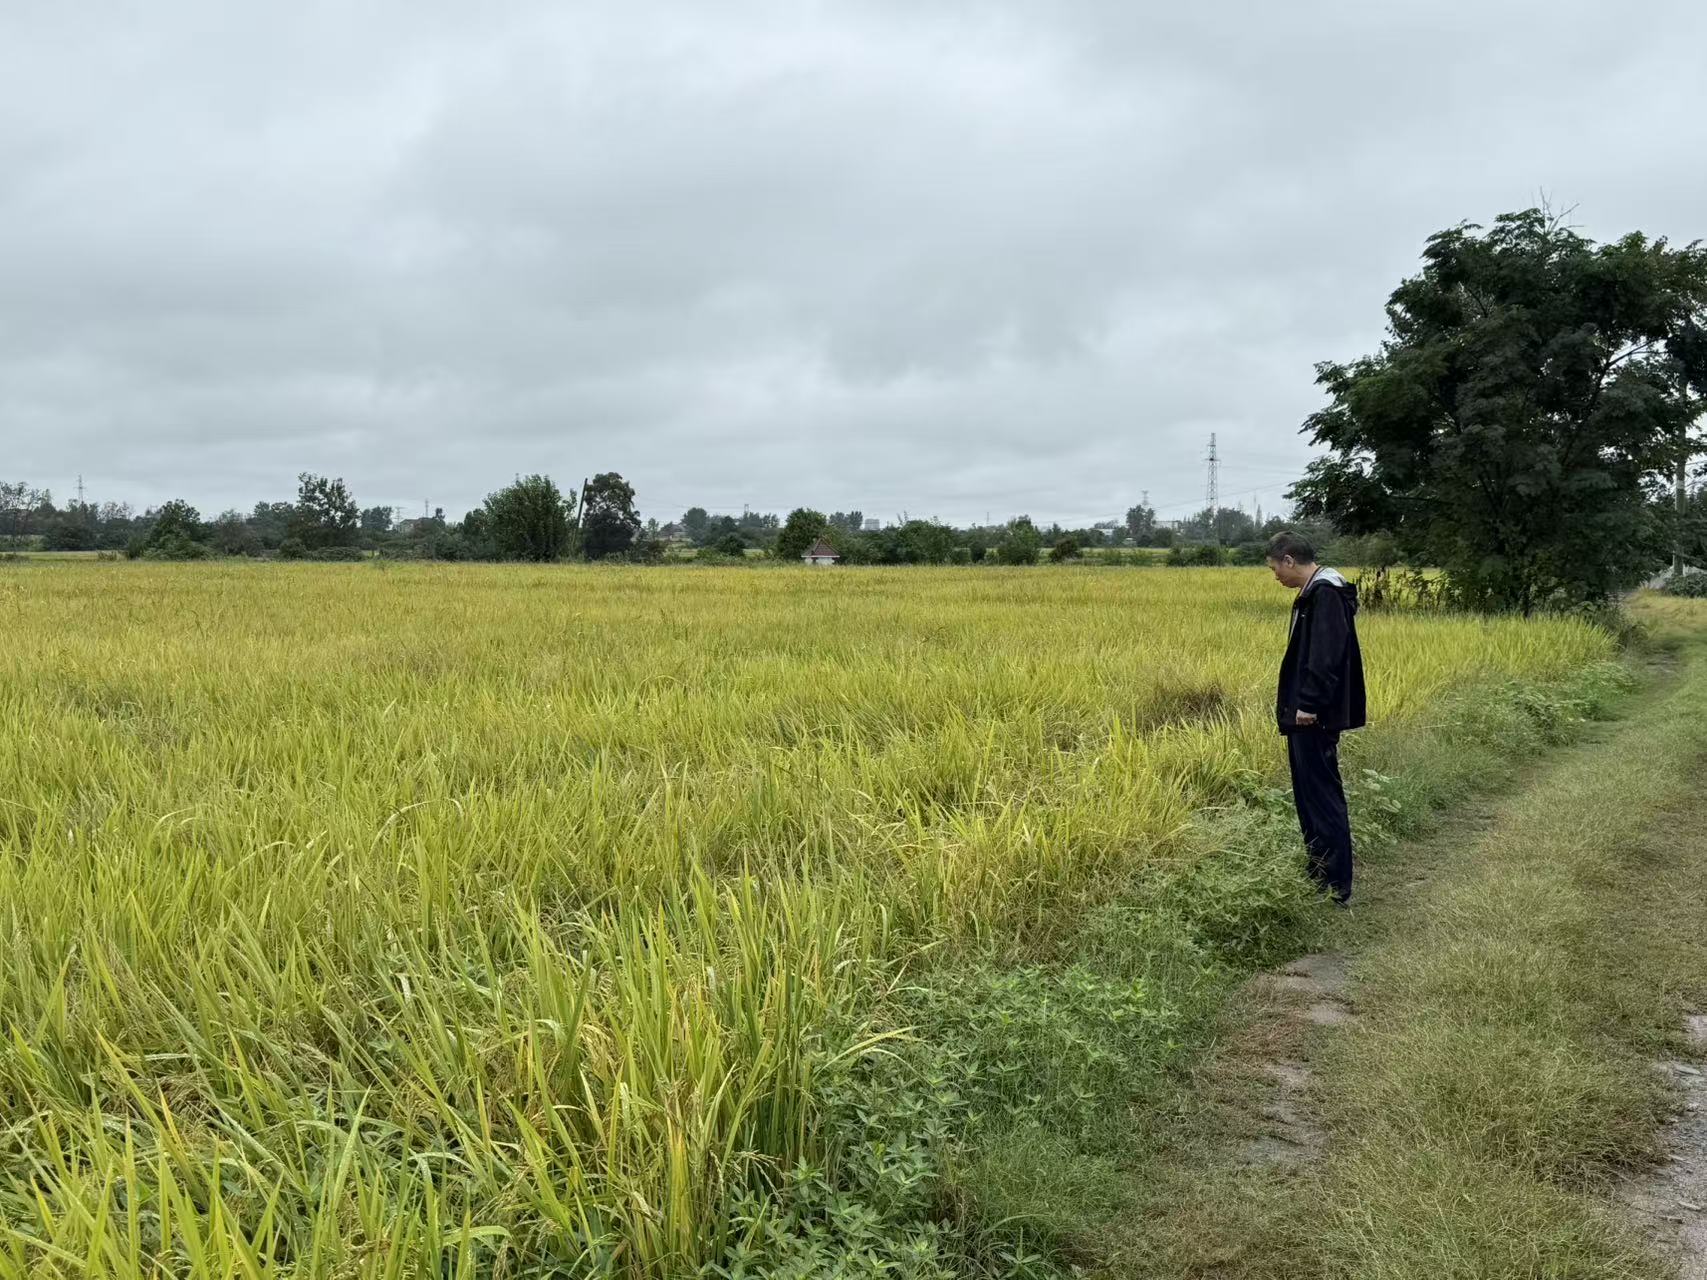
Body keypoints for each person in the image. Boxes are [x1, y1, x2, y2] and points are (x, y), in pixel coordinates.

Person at [1267, 531, 1366, 906]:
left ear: (1289, 560)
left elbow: (1324, 657)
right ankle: (1320, 873)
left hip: (1313, 717)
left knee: (1321, 798)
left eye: (1276, 567)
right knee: (1311, 797)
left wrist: (1307, 704)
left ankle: (1335, 885)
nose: (1276, 575)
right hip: (1310, 715)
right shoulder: (1322, 590)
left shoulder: (1324, 594)